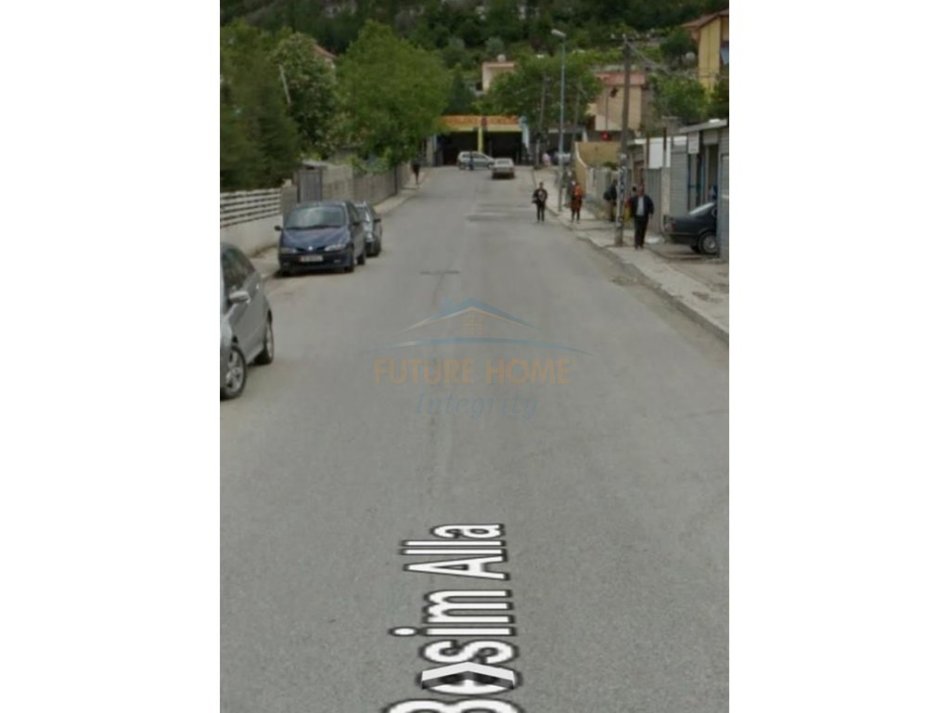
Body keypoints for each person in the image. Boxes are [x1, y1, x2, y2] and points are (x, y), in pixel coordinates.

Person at [626, 184, 655, 249]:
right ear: (637, 191)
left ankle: (641, 243)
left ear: (643, 192)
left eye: (641, 191)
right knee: (637, 230)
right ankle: (636, 243)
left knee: (643, 230)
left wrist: (651, 213)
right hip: (637, 216)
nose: (640, 192)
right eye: (639, 191)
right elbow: (628, 203)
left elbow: (651, 205)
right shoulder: (634, 198)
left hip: (644, 216)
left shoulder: (647, 198)